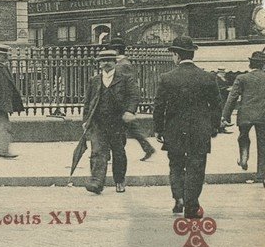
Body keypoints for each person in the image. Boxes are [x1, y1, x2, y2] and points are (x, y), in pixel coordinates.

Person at [153, 36, 223, 218]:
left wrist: (158, 129)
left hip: (174, 129)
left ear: (176, 55)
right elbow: (216, 105)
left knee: (176, 165)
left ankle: (179, 198)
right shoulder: (207, 77)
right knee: (196, 166)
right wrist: (214, 127)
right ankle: (191, 205)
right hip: (200, 130)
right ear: (192, 54)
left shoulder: (167, 78)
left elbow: (159, 106)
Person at [82, 48, 140, 194]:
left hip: (117, 122)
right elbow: (88, 102)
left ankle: (119, 181)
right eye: (103, 61)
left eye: (109, 60)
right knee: (97, 152)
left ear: (115, 62)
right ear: (99, 64)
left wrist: (129, 111)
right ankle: (97, 182)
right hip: (98, 121)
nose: (106, 63)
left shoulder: (125, 78)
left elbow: (133, 96)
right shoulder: (94, 80)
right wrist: (86, 120)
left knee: (118, 152)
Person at [222, 49, 265, 188]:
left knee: (243, 136)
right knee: (263, 144)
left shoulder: (241, 78)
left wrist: (225, 116)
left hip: (245, 115)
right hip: (262, 115)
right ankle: (261, 174)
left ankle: (244, 157)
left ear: (250, 65)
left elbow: (232, 98)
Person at [112, 41, 157, 161]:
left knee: (124, 128)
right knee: (131, 128)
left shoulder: (123, 65)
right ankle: (147, 148)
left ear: (116, 51)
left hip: (123, 104)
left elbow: (127, 85)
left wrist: (129, 108)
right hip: (123, 103)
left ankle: (115, 154)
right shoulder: (122, 63)